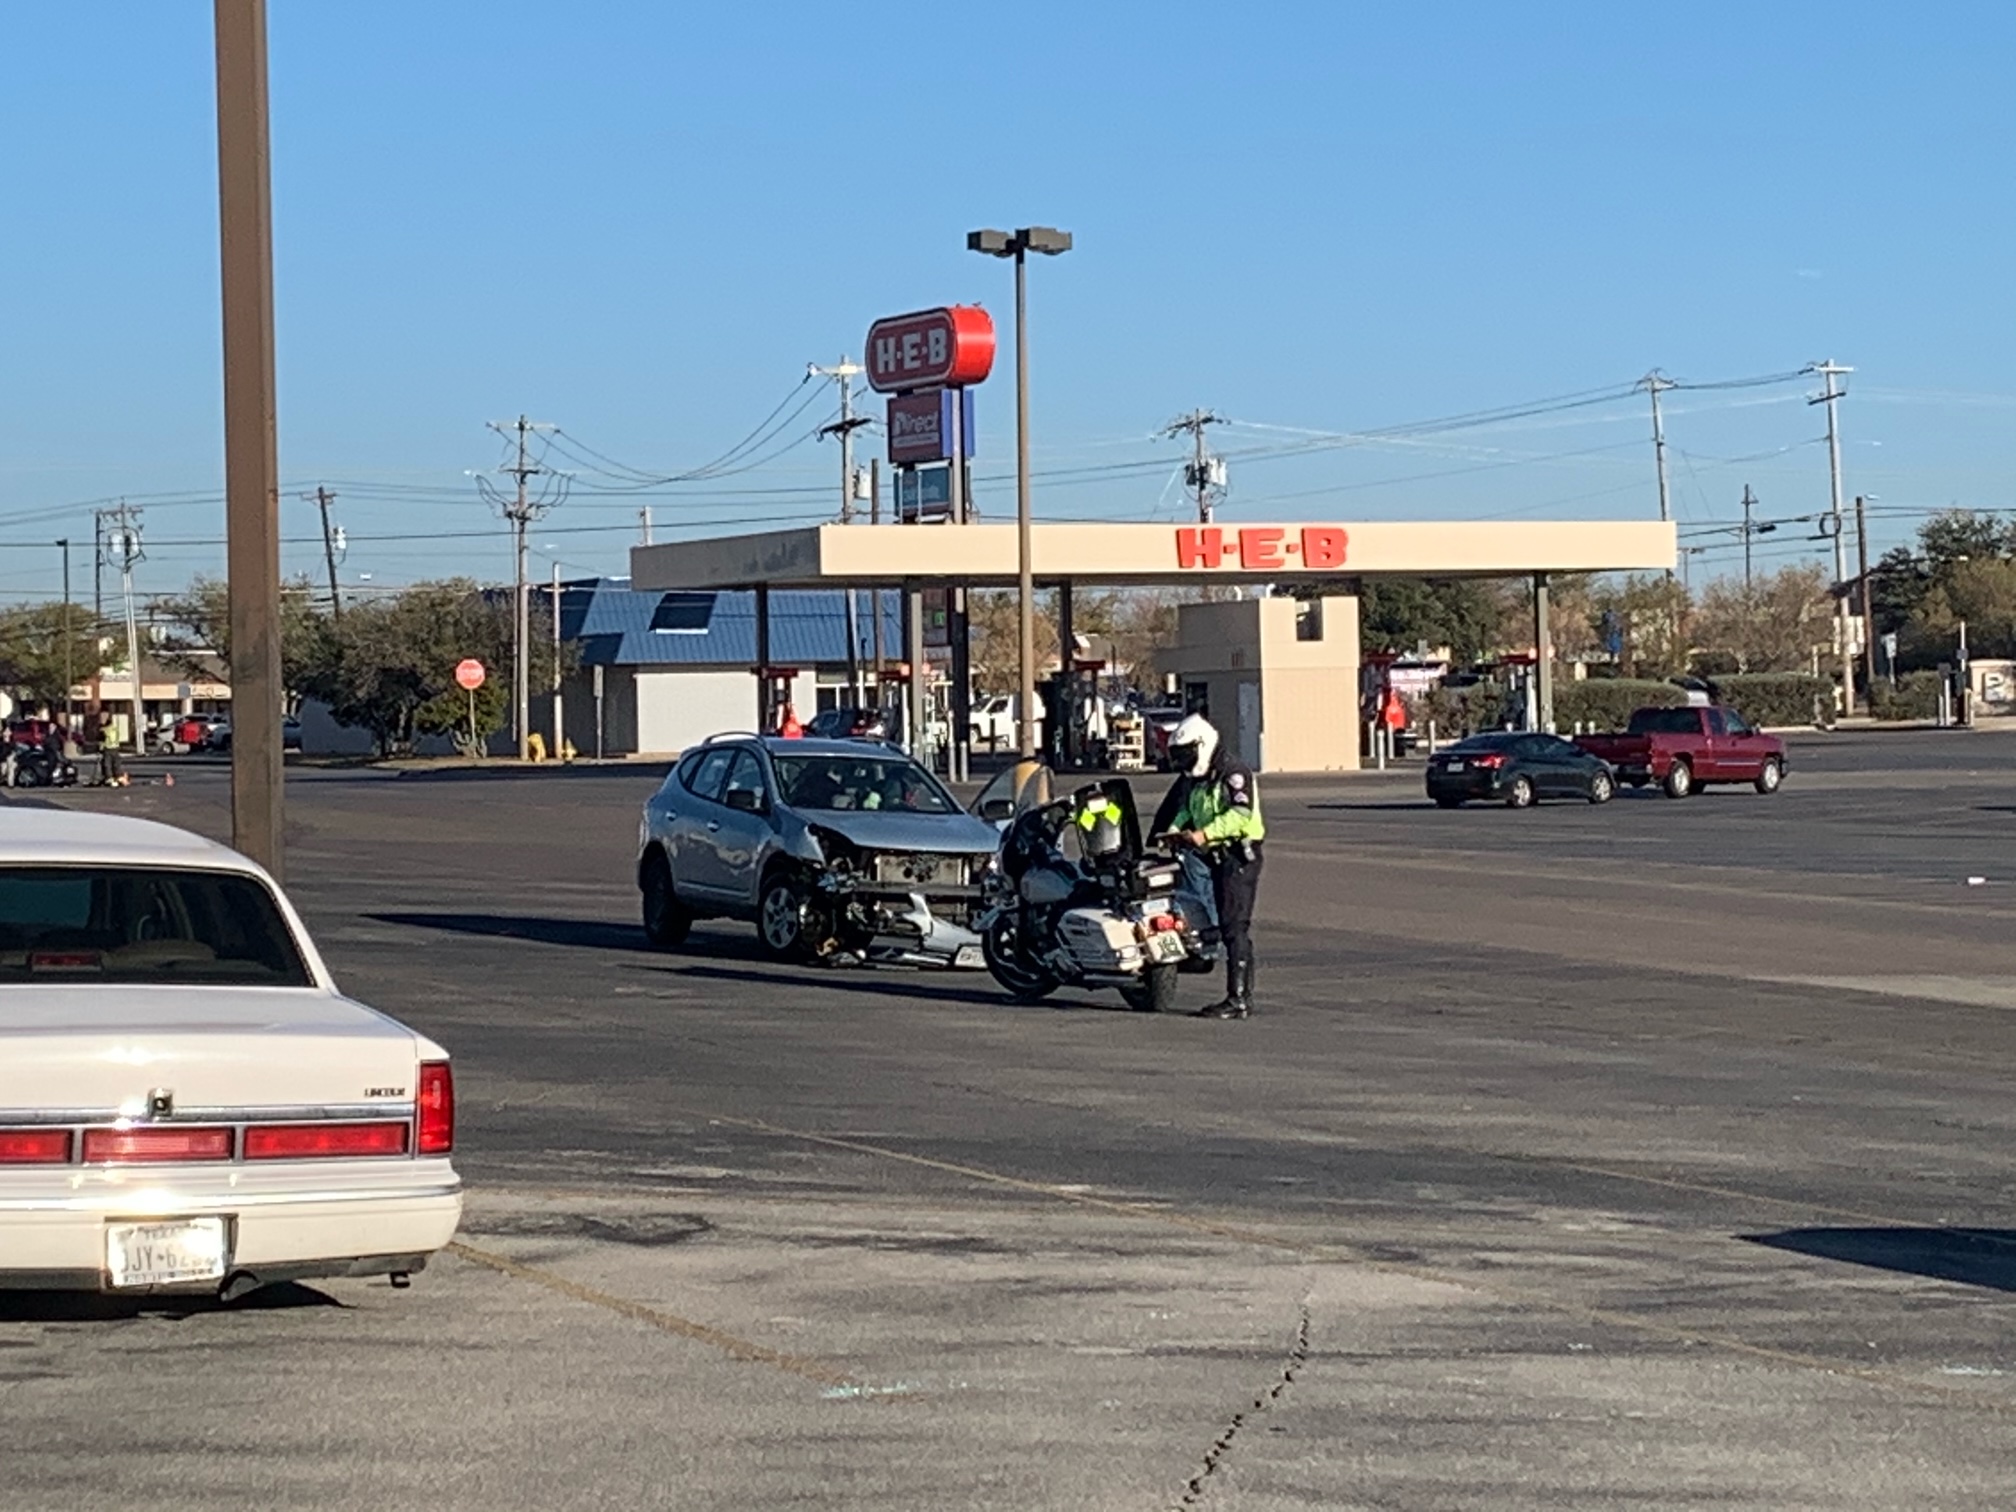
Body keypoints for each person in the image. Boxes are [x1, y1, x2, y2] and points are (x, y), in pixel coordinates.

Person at [1160, 713, 1265, 1019]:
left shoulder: (1233, 772)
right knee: (1224, 921)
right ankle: (1236, 994)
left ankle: (1239, 999)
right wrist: (1175, 832)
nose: (1183, 763)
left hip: (1238, 857)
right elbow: (1188, 810)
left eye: (1186, 754)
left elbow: (1240, 814)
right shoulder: (1200, 780)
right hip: (1216, 856)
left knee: (1235, 926)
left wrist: (1204, 834)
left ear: (1202, 745)